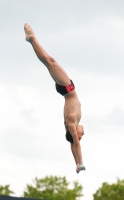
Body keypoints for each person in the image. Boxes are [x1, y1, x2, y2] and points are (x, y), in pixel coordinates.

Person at [24, 23, 86, 173]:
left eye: (80, 136)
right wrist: (76, 164)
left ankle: (31, 39)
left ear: (74, 134)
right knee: (48, 62)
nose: (83, 133)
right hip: (66, 90)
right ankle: (31, 39)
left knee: (49, 61)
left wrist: (82, 162)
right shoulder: (73, 125)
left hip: (67, 89)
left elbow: (75, 144)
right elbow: (72, 146)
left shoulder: (71, 124)